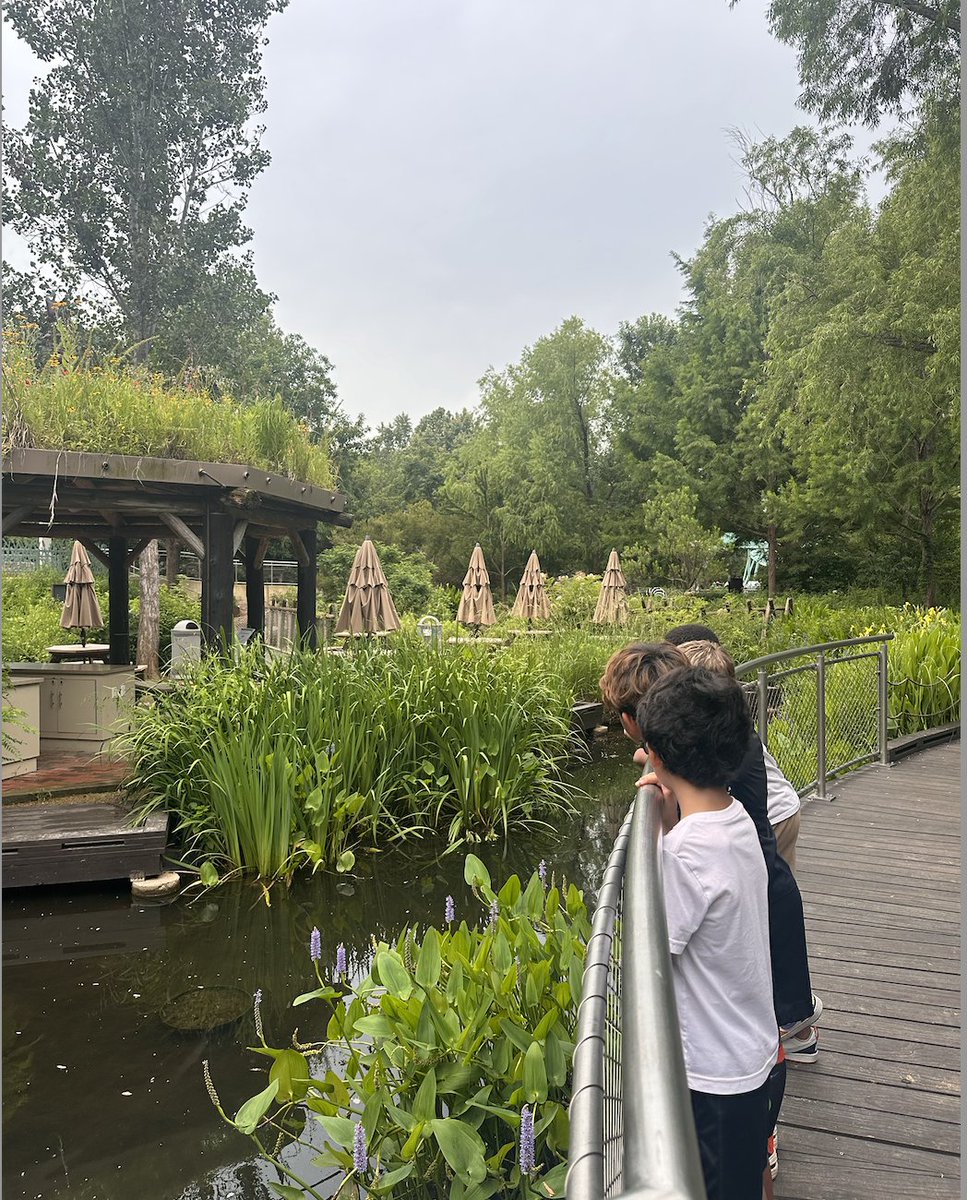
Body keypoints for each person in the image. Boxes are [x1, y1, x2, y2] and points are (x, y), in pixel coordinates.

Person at [635, 665, 778, 1199]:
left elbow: (653, 948)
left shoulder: (685, 855)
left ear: (659, 755)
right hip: (749, 1052)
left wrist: (658, 837)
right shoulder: (736, 818)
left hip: (714, 1075)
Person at [663, 625, 821, 1064]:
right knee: (762, 918)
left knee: (763, 922)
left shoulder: (722, 742)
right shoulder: (730, 728)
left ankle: (788, 1026)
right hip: (771, 817)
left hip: (771, 820)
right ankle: (786, 1021)